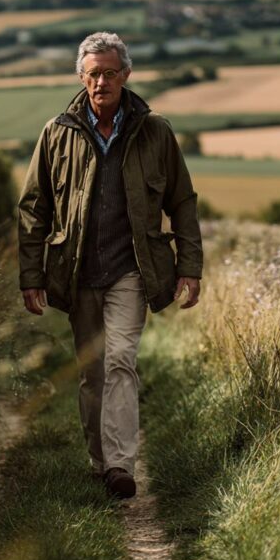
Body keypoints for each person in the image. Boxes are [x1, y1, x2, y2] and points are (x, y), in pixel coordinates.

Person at [17, 31, 203, 499]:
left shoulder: (155, 130)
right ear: (81, 77)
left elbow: (182, 201)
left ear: (126, 75)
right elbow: (33, 208)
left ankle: (121, 465)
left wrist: (190, 266)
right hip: (76, 272)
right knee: (92, 370)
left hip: (131, 272)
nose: (102, 82)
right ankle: (101, 461)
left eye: (110, 73)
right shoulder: (56, 132)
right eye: (93, 73)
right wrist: (31, 275)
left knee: (121, 359)